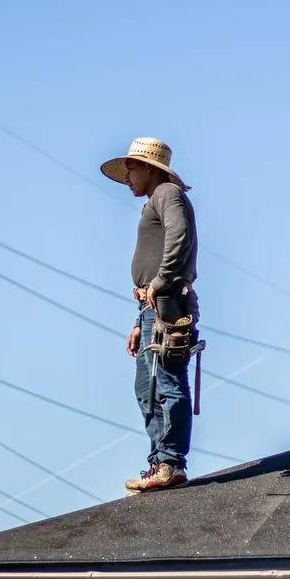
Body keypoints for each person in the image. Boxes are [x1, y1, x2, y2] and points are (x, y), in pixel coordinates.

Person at [101, 137, 199, 494]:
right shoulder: (154, 202)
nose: (127, 177)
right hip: (151, 309)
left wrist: (159, 282)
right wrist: (138, 317)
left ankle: (170, 460)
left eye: (130, 168)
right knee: (148, 386)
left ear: (148, 168)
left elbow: (180, 236)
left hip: (167, 303)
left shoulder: (167, 195)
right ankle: (159, 461)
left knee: (167, 382)